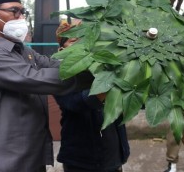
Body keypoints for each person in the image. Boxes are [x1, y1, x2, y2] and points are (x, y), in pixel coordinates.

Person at [0, 0, 92, 172]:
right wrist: (92, 76)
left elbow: (53, 64)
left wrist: (94, 60)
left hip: (32, 155)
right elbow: (34, 78)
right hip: (3, 160)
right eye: (14, 11)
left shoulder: (23, 50)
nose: (21, 17)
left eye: (23, 12)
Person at [53, 20, 130, 172]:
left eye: (84, 39)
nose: (81, 44)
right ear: (62, 49)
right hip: (81, 161)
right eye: (74, 40)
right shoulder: (59, 75)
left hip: (114, 157)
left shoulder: (104, 66)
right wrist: (111, 81)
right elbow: (80, 103)